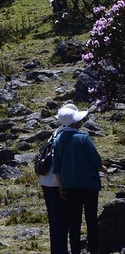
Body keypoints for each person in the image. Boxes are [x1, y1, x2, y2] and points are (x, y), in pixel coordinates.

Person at [53, 102, 103, 254]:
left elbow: (57, 167)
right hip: (89, 185)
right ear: (75, 122)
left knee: (74, 222)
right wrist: (103, 168)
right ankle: (93, 249)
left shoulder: (57, 140)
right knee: (91, 219)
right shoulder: (83, 138)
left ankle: (75, 250)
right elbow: (96, 160)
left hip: (70, 187)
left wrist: (61, 187)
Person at [40, 116, 72, 254]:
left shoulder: (54, 133)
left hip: (46, 181)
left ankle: (57, 250)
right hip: (57, 183)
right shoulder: (66, 136)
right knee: (63, 220)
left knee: (54, 220)